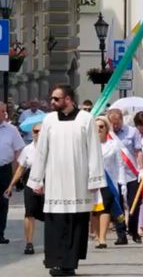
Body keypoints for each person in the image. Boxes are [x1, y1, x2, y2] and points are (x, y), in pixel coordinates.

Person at [27, 85, 106, 276]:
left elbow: (94, 151)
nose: (52, 102)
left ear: (68, 99)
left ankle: (70, 264)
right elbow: (42, 151)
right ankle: (55, 261)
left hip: (78, 181)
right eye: (52, 98)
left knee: (75, 222)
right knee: (56, 222)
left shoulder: (85, 119)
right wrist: (37, 180)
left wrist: (95, 180)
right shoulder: (49, 120)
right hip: (55, 181)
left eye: (56, 99)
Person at [5, 122, 44, 254]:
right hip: (31, 182)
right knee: (29, 213)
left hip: (48, 183)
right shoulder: (28, 149)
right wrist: (11, 185)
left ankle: (53, 242)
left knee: (50, 215)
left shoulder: (53, 149)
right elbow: (21, 168)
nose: (38, 134)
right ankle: (29, 243)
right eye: (36, 131)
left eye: (40, 131)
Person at [107, 108, 143, 244]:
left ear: (122, 120)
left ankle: (134, 230)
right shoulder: (107, 133)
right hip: (115, 174)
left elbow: (138, 151)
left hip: (131, 173)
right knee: (117, 206)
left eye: (118, 123)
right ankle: (121, 233)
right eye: (113, 124)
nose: (115, 126)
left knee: (135, 202)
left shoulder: (132, 132)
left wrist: (141, 168)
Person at [93, 116, 127, 249]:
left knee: (105, 208)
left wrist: (122, 182)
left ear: (106, 128)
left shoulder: (113, 145)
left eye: (101, 126)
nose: (98, 129)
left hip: (109, 182)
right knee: (95, 210)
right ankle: (96, 235)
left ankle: (102, 238)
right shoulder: (89, 145)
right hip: (92, 182)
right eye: (95, 127)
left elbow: (120, 165)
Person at [0, 101, 26, 244]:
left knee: (3, 202)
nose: (5, 114)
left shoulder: (11, 130)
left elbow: (18, 151)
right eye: (2, 111)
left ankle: (0, 233)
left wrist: (17, 174)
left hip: (4, 170)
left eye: (5, 111)